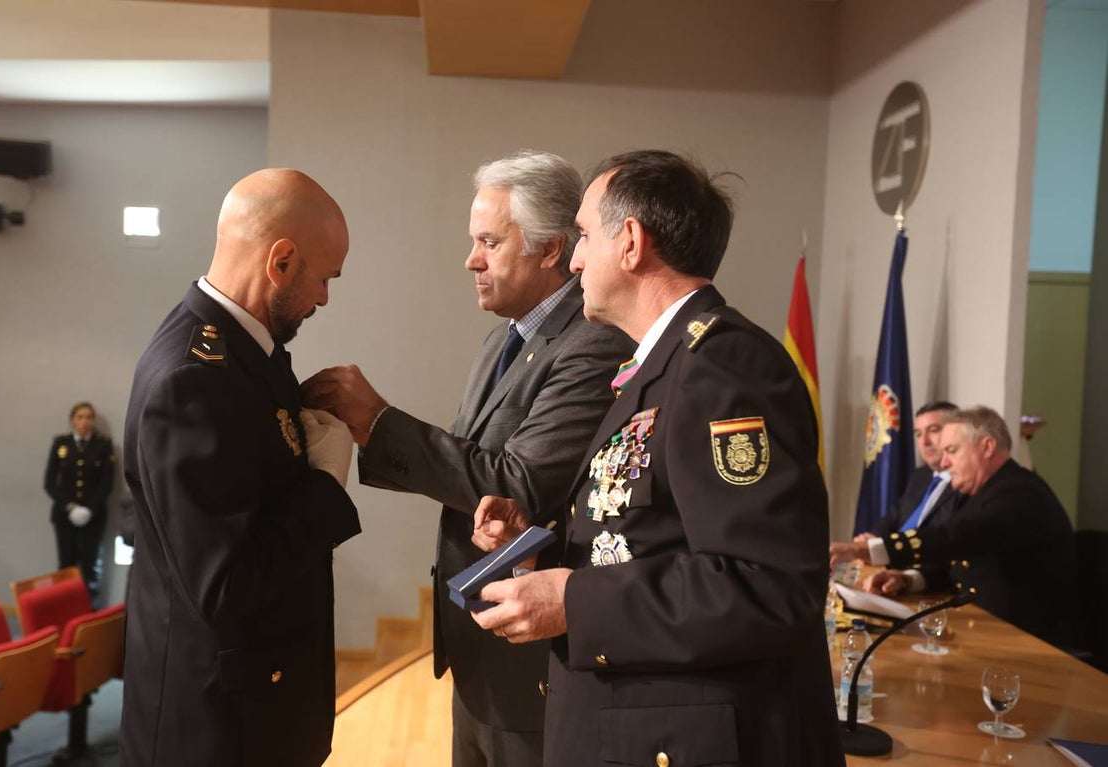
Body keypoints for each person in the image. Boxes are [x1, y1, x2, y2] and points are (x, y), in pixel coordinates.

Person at [469, 150, 845, 766]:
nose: (574, 259)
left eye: (584, 236)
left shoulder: (724, 365)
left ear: (631, 242)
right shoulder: (662, 364)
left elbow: (767, 585)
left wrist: (574, 600)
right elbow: (650, 537)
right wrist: (542, 557)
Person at [303, 150, 633, 767]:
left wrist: (380, 419)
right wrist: (369, 428)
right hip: (480, 650)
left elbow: (518, 487)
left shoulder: (593, 344)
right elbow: (470, 461)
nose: (471, 260)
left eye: (489, 242)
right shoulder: (503, 337)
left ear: (549, 249)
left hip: (531, 662)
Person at [120, 169, 361, 767]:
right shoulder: (193, 379)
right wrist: (325, 483)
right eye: (325, 278)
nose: (324, 299)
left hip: (254, 713)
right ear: (282, 261)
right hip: (216, 732)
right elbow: (224, 588)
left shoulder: (247, 353)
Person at [849, 406, 1077, 646]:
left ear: (987, 447)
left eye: (952, 450)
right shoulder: (984, 492)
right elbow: (957, 567)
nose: (944, 462)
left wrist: (866, 549)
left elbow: (955, 537)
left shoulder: (1020, 492)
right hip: (988, 629)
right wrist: (908, 580)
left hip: (1031, 643)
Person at [828, 401, 963, 586]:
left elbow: (943, 543)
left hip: (925, 580)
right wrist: (869, 543)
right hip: (891, 569)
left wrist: (880, 552)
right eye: (918, 434)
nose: (924, 442)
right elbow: (894, 517)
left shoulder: (965, 484)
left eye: (933, 430)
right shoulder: (920, 477)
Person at [44, 401, 115, 595]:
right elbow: (50, 483)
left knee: (90, 562)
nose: (85, 421)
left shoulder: (103, 445)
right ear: (72, 420)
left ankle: (89, 605)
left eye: (89, 417)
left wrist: (90, 509)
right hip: (65, 515)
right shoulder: (61, 444)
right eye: (80, 417)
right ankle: (65, 603)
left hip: (94, 515)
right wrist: (70, 507)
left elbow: (107, 483)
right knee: (66, 563)